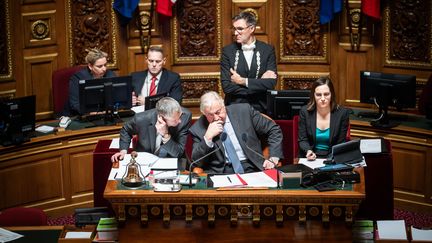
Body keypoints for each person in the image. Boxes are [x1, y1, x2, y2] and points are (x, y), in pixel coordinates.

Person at [189, 91, 283, 174]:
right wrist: (208, 138)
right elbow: (197, 162)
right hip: (221, 172)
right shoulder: (198, 128)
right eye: (210, 115)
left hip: (252, 166)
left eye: (218, 112)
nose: (216, 118)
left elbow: (273, 129)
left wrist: (273, 158)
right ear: (204, 114)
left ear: (223, 106)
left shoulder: (244, 111)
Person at [220, 11, 277, 113]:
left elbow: (271, 83)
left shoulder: (267, 50)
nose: (235, 33)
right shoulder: (227, 51)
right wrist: (259, 83)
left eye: (240, 29)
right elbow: (227, 87)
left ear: (252, 28)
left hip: (261, 108)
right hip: (235, 107)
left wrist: (242, 81)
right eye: (234, 29)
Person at [111, 97, 191, 162]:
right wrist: (123, 151)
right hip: (145, 160)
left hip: (171, 160)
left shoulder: (185, 117)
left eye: (179, 116)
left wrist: (166, 135)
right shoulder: (141, 119)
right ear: (162, 118)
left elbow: (178, 153)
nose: (180, 121)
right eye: (175, 120)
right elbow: (125, 130)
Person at [298, 77, 350, 161]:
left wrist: (329, 160)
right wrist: (308, 151)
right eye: (318, 95)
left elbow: (340, 143)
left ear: (331, 94)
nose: (322, 99)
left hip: (332, 158)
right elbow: (303, 140)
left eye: (326, 94)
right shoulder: (305, 112)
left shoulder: (342, 113)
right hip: (310, 158)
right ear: (313, 95)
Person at [67, 48, 116, 115]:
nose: (104, 69)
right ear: (90, 66)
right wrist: (89, 112)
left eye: (105, 65)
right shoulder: (78, 78)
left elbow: (116, 97)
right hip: (80, 115)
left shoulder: (111, 75)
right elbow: (74, 103)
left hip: (105, 114)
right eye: (100, 66)